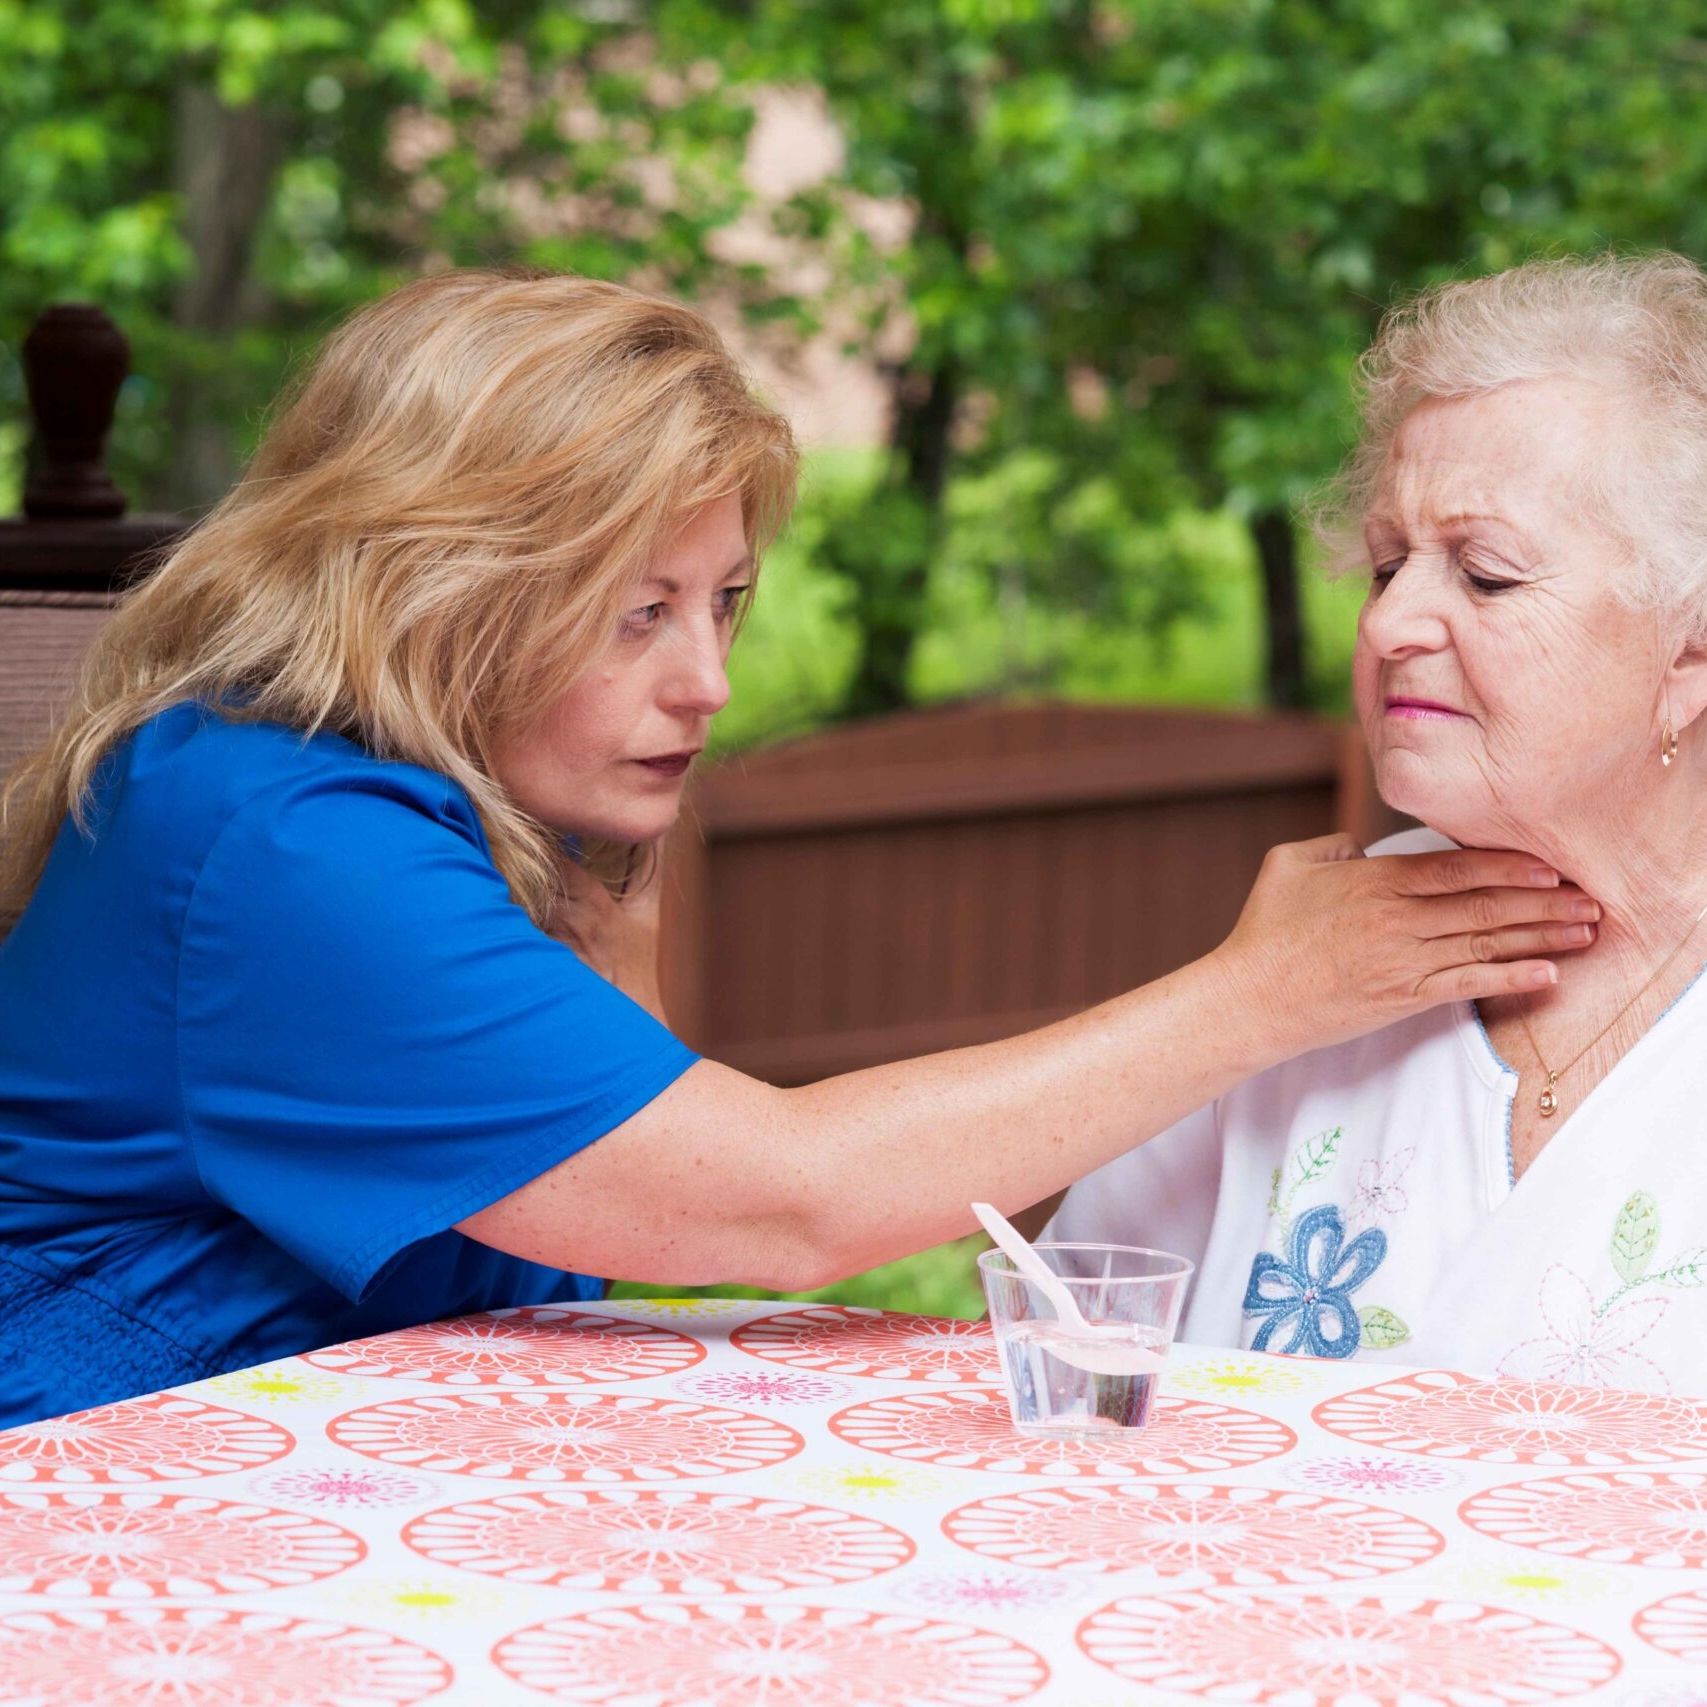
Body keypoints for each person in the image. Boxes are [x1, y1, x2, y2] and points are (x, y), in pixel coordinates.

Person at [0, 270, 1590, 1428]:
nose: (708, 682)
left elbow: (590, 1240)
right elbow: (777, 1197)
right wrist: (1263, 988)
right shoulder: (280, 846)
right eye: (638, 611)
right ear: (443, 585)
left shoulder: (379, 800)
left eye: (724, 602)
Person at [1049, 252, 1707, 1395]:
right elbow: (1072, 1340)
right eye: (1389, 563)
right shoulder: (1309, 955)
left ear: (1691, 649)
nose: (1392, 620)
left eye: (1486, 576)